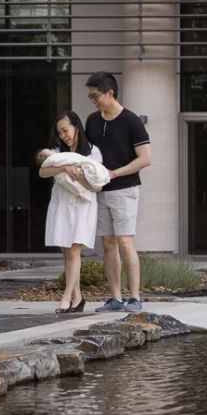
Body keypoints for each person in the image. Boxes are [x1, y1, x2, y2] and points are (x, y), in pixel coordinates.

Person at [83, 71, 152, 313]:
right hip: (100, 191)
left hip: (125, 189)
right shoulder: (92, 121)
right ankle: (115, 298)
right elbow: (87, 154)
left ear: (109, 93)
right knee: (108, 243)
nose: (93, 100)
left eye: (95, 96)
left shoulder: (131, 121)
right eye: (90, 97)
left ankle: (135, 298)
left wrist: (114, 173)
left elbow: (145, 159)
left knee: (124, 241)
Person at [37, 112, 104, 314]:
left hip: (82, 204)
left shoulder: (92, 152)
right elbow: (42, 171)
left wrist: (79, 175)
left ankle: (66, 297)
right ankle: (78, 298)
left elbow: (97, 185)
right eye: (60, 132)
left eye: (65, 130)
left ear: (76, 127)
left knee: (74, 251)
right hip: (62, 203)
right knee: (66, 252)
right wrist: (65, 168)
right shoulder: (58, 153)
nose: (63, 135)